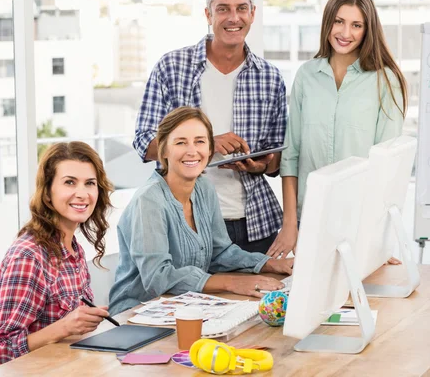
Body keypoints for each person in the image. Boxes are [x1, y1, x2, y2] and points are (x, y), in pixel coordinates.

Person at [133, 0, 287, 255]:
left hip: (253, 224)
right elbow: (144, 143)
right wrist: (207, 145)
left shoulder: (271, 77)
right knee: (189, 297)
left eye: (242, 8)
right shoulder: (171, 68)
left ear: (253, 13)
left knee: (259, 299)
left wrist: (260, 165)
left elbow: (277, 159)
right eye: (223, 9)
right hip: (186, 220)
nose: (233, 18)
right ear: (208, 14)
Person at [109, 107, 293, 316]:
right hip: (135, 315)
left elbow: (220, 252)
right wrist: (233, 283)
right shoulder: (149, 201)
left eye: (200, 141)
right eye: (180, 142)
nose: (192, 151)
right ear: (164, 150)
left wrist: (270, 264)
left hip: (183, 308)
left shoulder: (204, 188)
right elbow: (158, 278)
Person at [269, 0, 407, 261]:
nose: (345, 34)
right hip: (312, 218)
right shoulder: (307, 76)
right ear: (328, 22)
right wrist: (290, 224)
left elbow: (386, 166)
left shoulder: (385, 81)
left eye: (356, 25)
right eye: (339, 22)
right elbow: (291, 155)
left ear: (368, 30)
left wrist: (375, 238)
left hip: (358, 220)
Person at [0, 142, 114, 374]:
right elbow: (2, 350)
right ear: (48, 193)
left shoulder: (73, 248)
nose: (82, 193)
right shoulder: (29, 256)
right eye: (70, 182)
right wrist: (65, 327)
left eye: (90, 183)